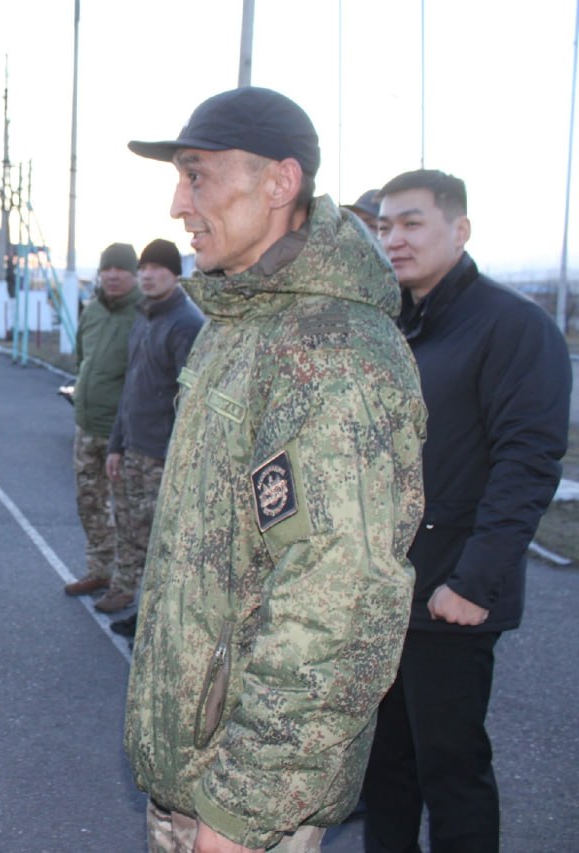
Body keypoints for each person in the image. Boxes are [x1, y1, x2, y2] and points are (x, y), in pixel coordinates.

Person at [122, 86, 427, 853]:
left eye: (198, 175)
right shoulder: (241, 321)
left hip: (243, 803)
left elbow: (339, 601)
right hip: (194, 774)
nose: (177, 203)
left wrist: (241, 810)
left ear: (280, 184)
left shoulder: (330, 350)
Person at [361, 170, 571, 853]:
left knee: (450, 770)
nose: (394, 238)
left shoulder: (514, 328)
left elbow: (529, 462)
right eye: (386, 225)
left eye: (412, 223)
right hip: (385, 591)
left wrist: (473, 582)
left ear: (461, 228)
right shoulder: (396, 326)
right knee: (383, 771)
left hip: (452, 594)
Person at [102, 238, 204, 624]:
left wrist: (178, 459)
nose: (147, 274)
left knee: (163, 542)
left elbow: (189, 400)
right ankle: (139, 605)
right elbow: (131, 387)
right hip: (134, 450)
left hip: (163, 456)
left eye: (157, 267)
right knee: (132, 531)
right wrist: (116, 445)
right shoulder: (145, 318)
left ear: (175, 274)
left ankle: (158, 621)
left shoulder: (186, 324)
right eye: (143, 267)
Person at [64, 242, 142, 606]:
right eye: (107, 268)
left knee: (127, 511)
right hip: (86, 425)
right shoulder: (92, 310)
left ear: (134, 273)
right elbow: (82, 358)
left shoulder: (144, 313)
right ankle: (100, 569)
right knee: (89, 502)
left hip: (122, 434)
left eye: (120, 269)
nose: (112, 275)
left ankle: (125, 584)